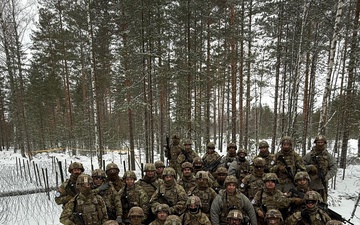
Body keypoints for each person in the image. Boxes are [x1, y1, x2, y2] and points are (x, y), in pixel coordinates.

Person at [303, 135, 337, 203]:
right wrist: (310, 167)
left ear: (324, 143)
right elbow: (301, 166)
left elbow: (334, 168)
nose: (320, 144)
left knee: (322, 203)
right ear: (315, 143)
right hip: (310, 184)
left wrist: (327, 176)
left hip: (322, 184)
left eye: (322, 142)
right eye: (318, 142)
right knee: (309, 202)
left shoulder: (328, 156)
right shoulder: (309, 155)